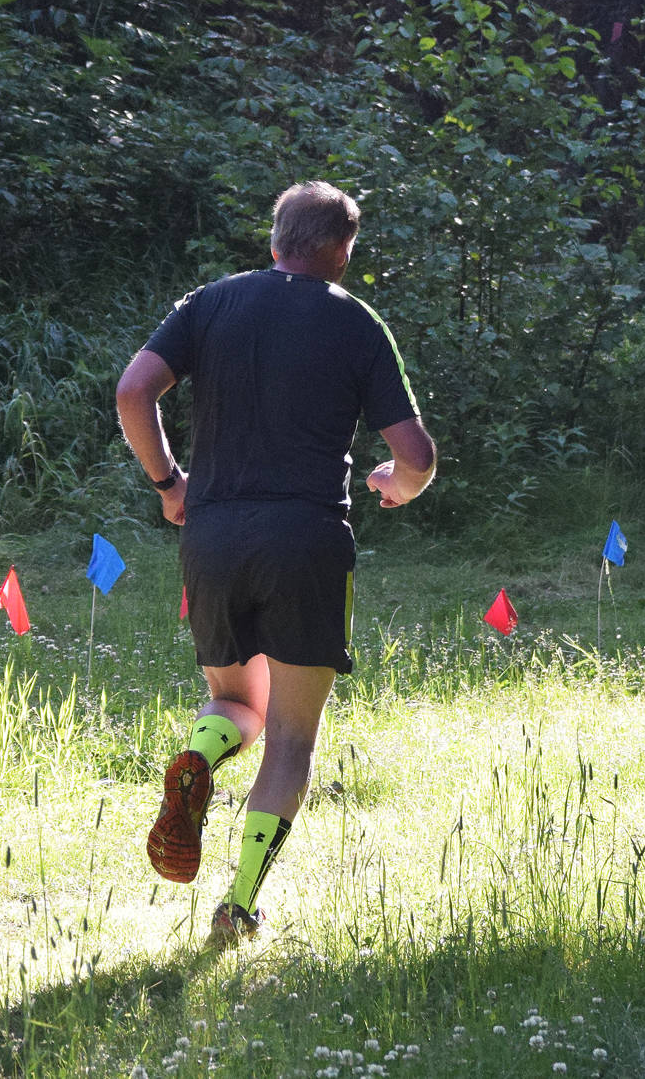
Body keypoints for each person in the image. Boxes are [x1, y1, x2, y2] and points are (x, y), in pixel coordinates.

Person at [116, 180, 436, 944]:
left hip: (213, 533)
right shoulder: (356, 321)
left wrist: (168, 483)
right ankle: (238, 903)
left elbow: (133, 391)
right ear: (342, 252)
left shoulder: (211, 303)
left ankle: (198, 753)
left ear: (275, 240)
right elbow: (416, 455)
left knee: (238, 706)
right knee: (292, 735)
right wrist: (397, 484)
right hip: (309, 539)